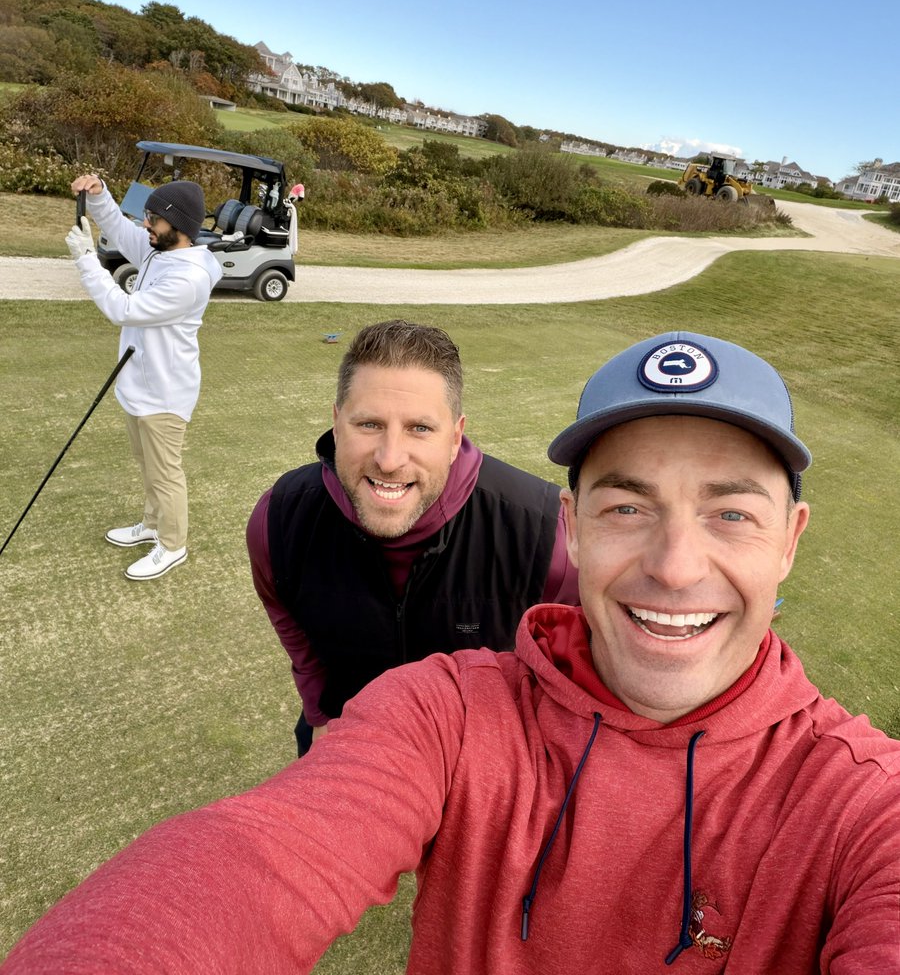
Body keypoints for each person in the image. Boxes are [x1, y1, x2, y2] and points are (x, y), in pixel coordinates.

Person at [5, 330, 900, 973]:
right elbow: (251, 859)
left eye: (731, 512)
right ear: (576, 528)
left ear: (791, 540)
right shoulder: (441, 704)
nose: (672, 567)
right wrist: (324, 716)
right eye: (626, 506)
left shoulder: (865, 805)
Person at [248, 318, 578, 753]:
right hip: (347, 740)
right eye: (368, 424)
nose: (389, 459)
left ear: (455, 435)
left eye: (419, 428)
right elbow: (287, 617)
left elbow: (570, 679)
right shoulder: (279, 518)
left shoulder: (545, 535)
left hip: (476, 765)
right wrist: (320, 712)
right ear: (336, 421)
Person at [66, 173, 222, 580]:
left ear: (180, 227)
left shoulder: (187, 278)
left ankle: (172, 545)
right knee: (146, 463)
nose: (146, 225)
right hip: (140, 384)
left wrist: (87, 260)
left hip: (165, 393)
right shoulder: (161, 250)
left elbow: (123, 310)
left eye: (154, 219)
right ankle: (152, 525)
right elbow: (119, 229)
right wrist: (100, 195)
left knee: (165, 472)